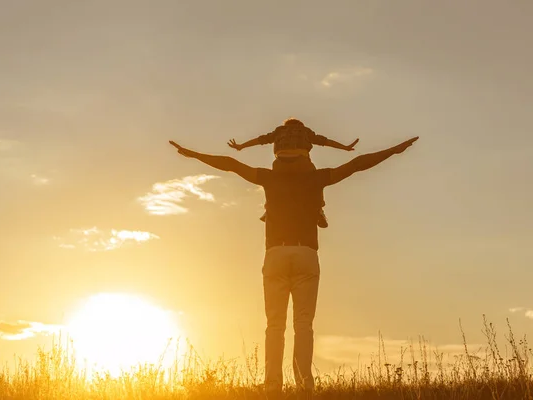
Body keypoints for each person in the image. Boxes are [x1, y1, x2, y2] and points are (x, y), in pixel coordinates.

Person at [169, 136, 419, 400]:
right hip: (306, 253)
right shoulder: (316, 178)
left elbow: (230, 163)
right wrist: (394, 149)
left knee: (274, 326)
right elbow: (357, 164)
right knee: (303, 325)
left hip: (275, 253)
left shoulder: (268, 177)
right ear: (306, 157)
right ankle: (304, 388)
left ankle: (272, 388)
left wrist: (194, 153)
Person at [227, 118, 359, 228]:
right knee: (316, 179)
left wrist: (241, 146)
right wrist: (344, 147)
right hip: (302, 163)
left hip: (280, 164)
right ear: (300, 125)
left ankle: (268, 210)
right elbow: (324, 141)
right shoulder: (305, 131)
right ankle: (319, 210)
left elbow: (260, 140)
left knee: (273, 182)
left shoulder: (279, 131)